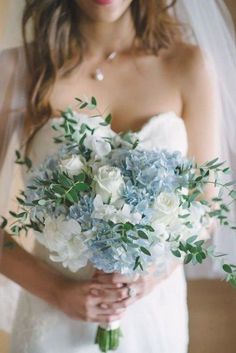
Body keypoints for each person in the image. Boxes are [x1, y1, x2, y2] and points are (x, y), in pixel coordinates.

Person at [0, 0, 230, 352]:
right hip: (52, 319)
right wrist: (57, 291)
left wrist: (146, 280)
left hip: (152, 316)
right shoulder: (18, 69)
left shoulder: (188, 66)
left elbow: (205, 206)